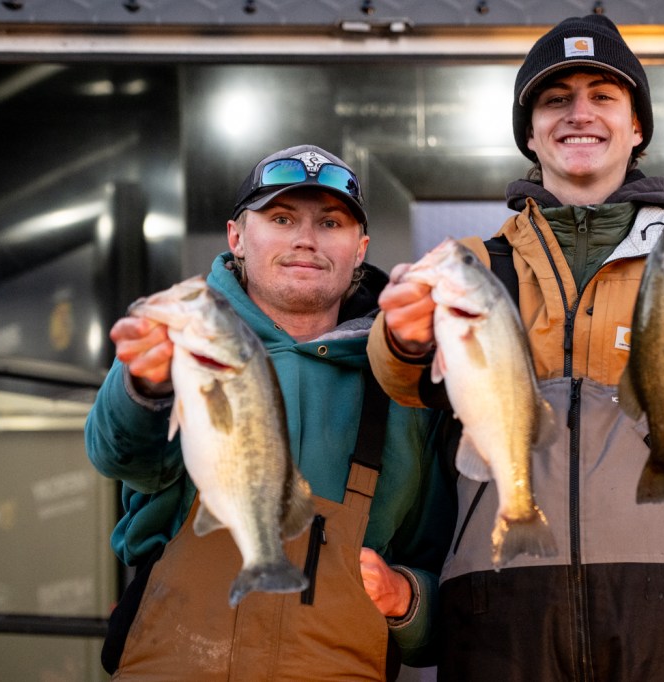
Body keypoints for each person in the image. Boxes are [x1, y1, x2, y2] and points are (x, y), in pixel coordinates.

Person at [367, 14, 664, 681]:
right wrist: (401, 334)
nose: (580, 113)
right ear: (530, 133)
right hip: (500, 603)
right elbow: (401, 378)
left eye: (603, 96)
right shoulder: (472, 264)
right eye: (556, 100)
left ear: (637, 127)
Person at [85, 144, 453, 680]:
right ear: (236, 237)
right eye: (281, 219)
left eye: (330, 223)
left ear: (360, 249)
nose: (306, 239)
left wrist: (407, 598)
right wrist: (144, 384)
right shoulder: (181, 336)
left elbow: (443, 582)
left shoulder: (404, 381)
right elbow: (121, 456)